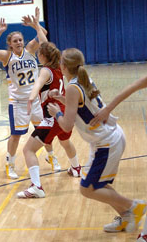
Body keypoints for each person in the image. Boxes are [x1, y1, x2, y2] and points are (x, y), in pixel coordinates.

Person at [47, 47, 147, 233]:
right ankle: (127, 218)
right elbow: (81, 106)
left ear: (63, 66)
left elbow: (66, 125)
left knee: (87, 188)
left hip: (106, 142)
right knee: (99, 184)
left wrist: (57, 112)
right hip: (108, 138)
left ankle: (135, 206)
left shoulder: (72, 87)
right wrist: (62, 99)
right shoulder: (82, 79)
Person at [0, 7, 60, 179]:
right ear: (10, 44)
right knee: (16, 135)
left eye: (20, 40)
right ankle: (9, 164)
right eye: (15, 41)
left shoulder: (30, 50)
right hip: (18, 103)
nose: (19, 42)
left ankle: (51, 157)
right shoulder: (7, 56)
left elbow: (44, 38)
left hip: (36, 100)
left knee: (44, 130)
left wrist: (35, 25)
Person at [16, 20, 81, 199]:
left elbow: (36, 85)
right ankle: (76, 168)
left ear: (44, 56)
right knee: (65, 142)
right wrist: (36, 25)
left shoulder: (45, 70)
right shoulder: (59, 65)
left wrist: (30, 99)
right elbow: (45, 44)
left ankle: (36, 186)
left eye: (39, 53)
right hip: (64, 113)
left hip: (52, 115)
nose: (37, 55)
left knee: (28, 150)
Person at [89, 75, 147, 241]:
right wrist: (108, 108)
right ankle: (127, 218)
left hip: (105, 140)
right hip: (100, 141)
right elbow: (136, 84)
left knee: (92, 185)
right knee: (94, 184)